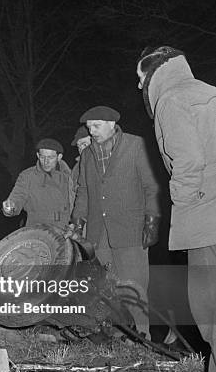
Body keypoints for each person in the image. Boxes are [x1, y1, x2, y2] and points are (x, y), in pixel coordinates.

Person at [137, 46, 216, 372]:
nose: (139, 87)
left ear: (154, 73)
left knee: (206, 302)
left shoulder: (170, 99)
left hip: (205, 212)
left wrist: (183, 208)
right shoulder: (209, 92)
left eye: (140, 79)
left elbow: (187, 160)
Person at [68, 106, 161, 338]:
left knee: (135, 286)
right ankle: (117, 336)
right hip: (99, 235)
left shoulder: (136, 146)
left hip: (131, 230)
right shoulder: (88, 154)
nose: (92, 132)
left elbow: (152, 186)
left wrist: (152, 221)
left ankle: (142, 337)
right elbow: (83, 192)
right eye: (89, 128)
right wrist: (77, 222)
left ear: (111, 124)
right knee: (107, 288)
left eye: (96, 126)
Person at [2, 138, 73, 229]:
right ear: (38, 155)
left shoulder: (69, 176)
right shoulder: (27, 176)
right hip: (39, 231)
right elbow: (17, 197)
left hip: (67, 229)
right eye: (42, 157)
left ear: (59, 157)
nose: (45, 161)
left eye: (50, 157)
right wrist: (10, 207)